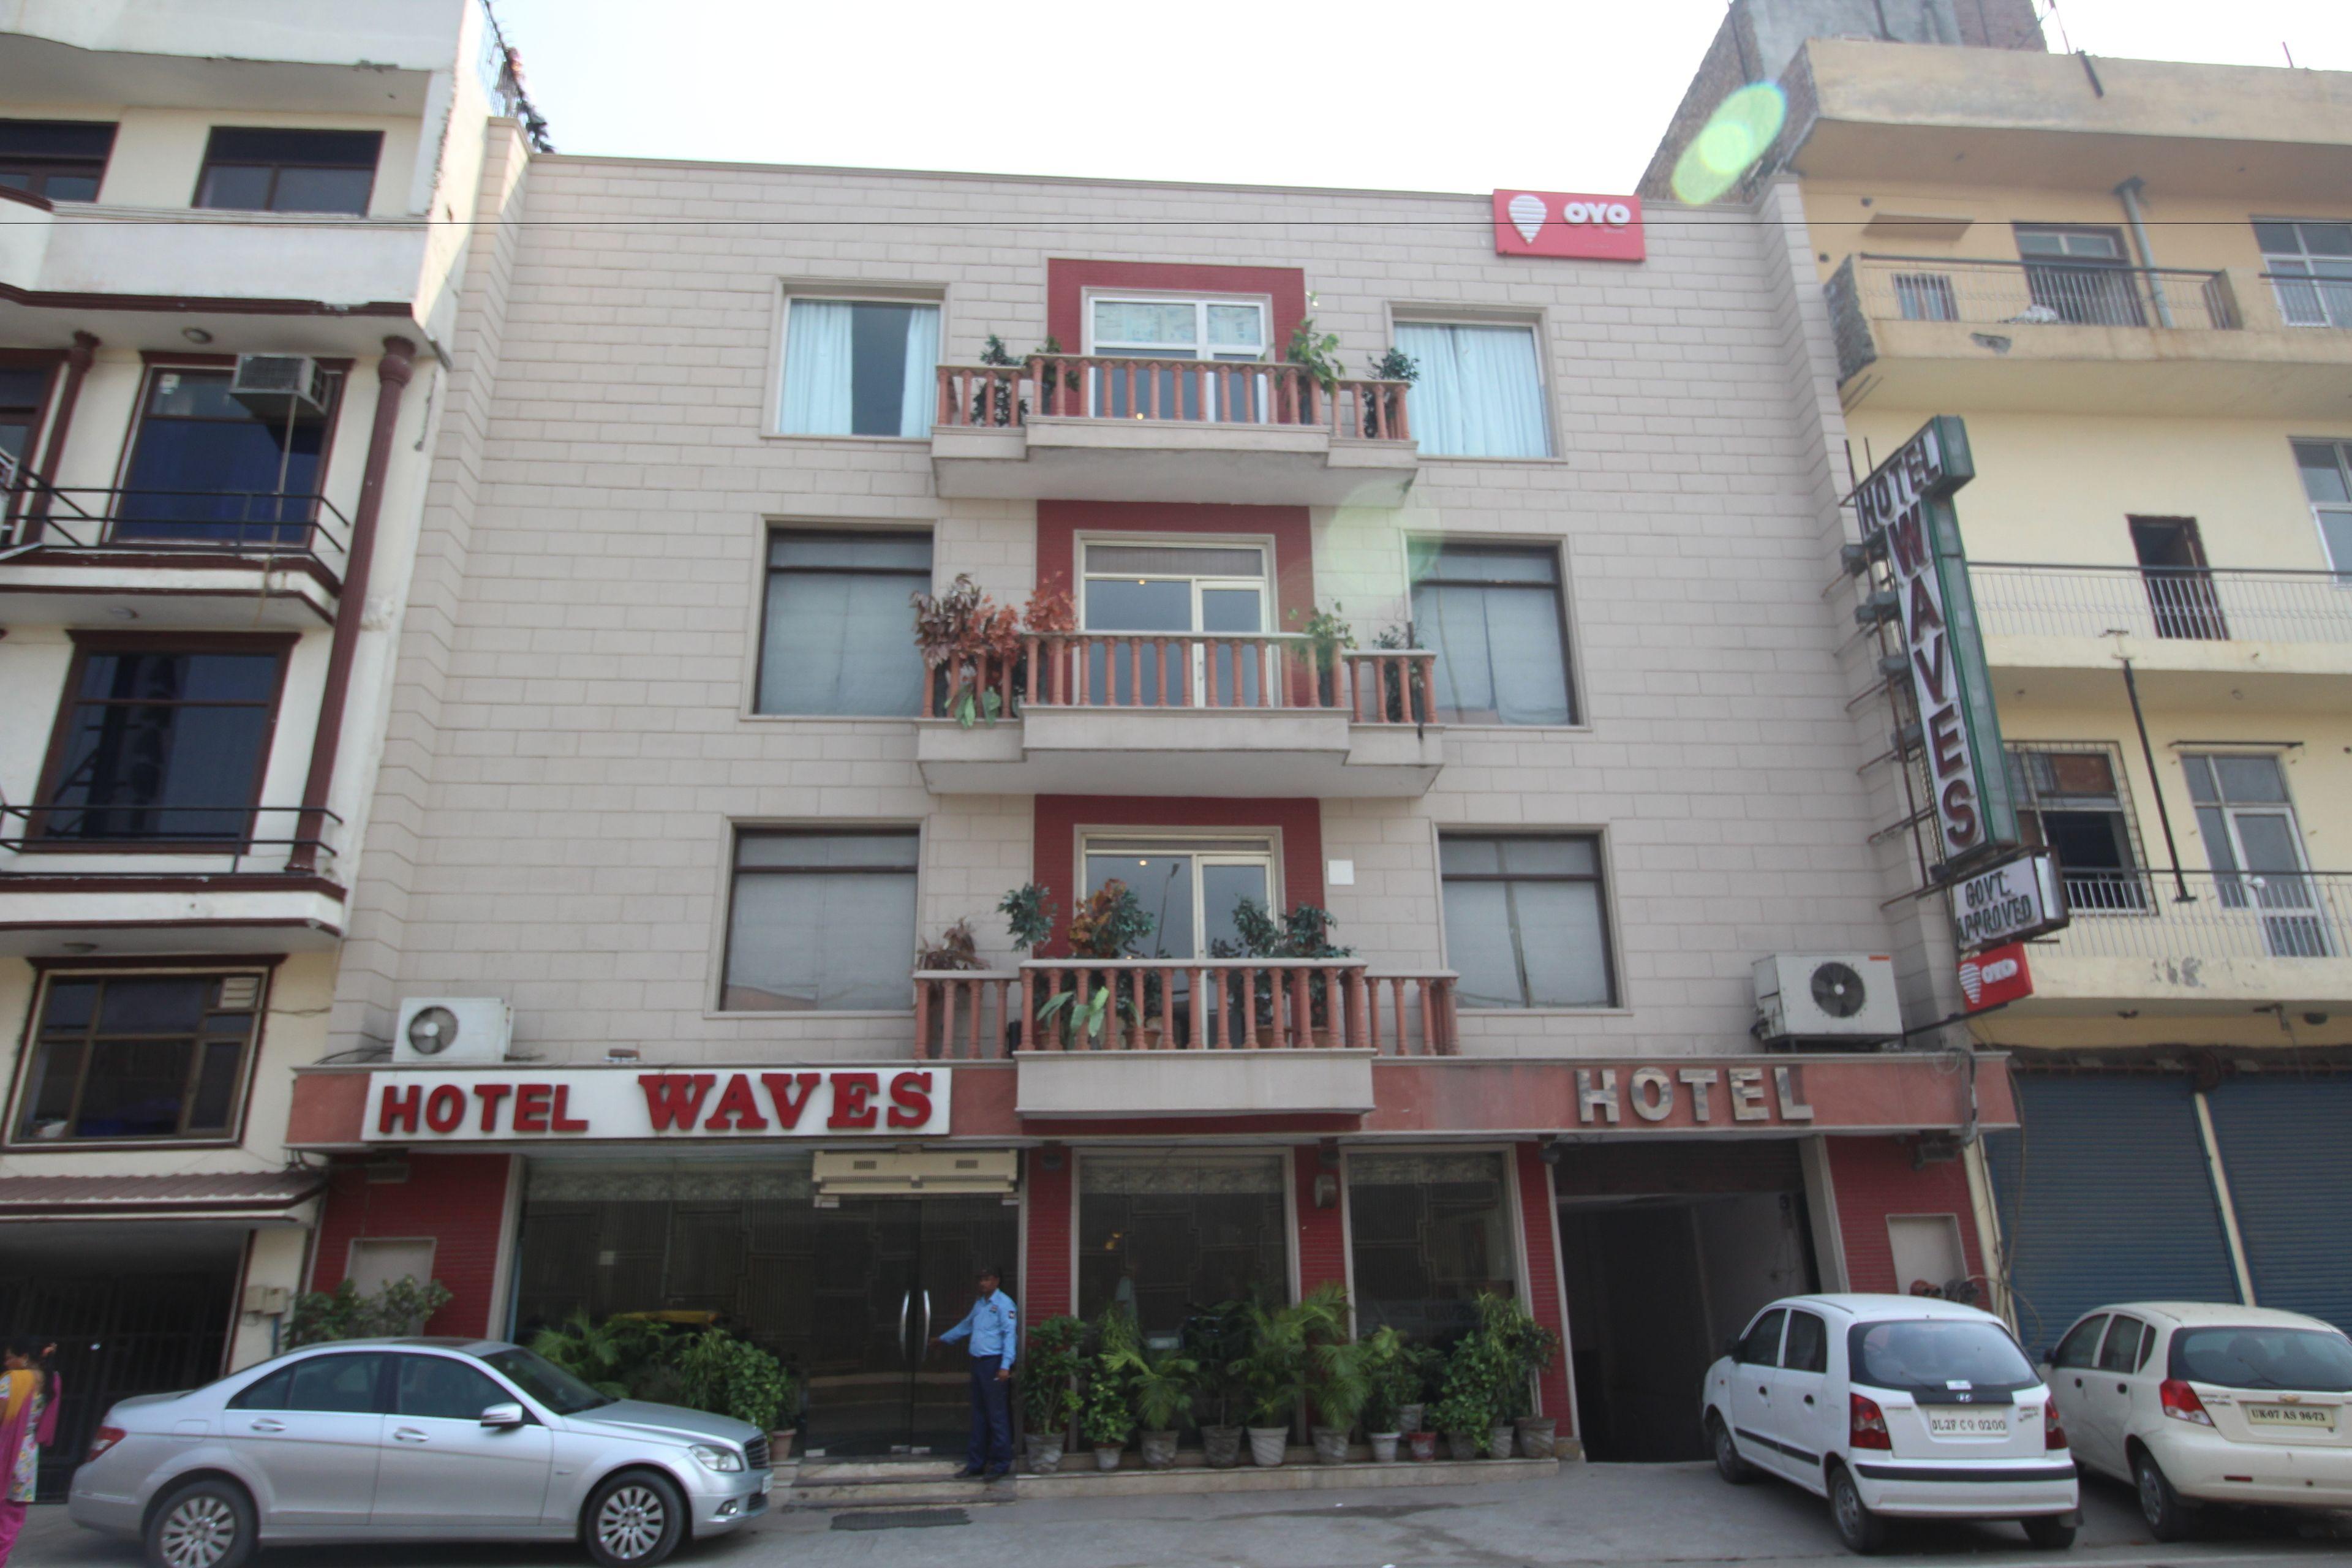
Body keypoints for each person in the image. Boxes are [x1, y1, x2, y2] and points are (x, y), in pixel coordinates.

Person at [933, 1266, 1017, 1479]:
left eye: (987, 1279)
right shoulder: (980, 1304)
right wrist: (944, 1339)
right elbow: (966, 1326)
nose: (982, 1283)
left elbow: (1010, 1335)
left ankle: (1001, 1464)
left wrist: (1006, 1366)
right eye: (980, 1279)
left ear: (997, 1281)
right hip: (978, 1364)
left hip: (994, 1363)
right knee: (979, 1415)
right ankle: (976, 1463)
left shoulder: (1004, 1304)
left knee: (997, 1416)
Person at [0, 1338, 59, 1566]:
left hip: (5, 1451)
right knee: (11, 1517)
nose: (6, 1363)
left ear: (24, 1357)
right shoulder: (52, 1380)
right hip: (27, 1456)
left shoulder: (13, 1380)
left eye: (9, 1358)